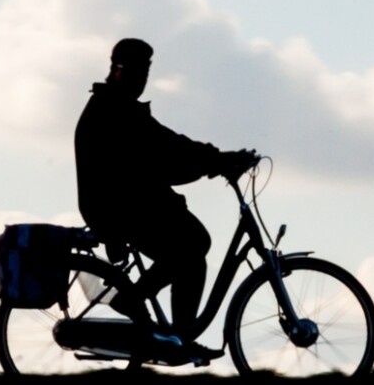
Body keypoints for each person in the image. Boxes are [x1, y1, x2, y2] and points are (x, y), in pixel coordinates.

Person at [74, 37, 256, 362]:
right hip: (117, 207)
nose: (141, 79)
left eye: (145, 72)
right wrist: (217, 161)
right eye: (134, 72)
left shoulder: (120, 106)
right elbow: (165, 149)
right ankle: (147, 312)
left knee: (194, 245)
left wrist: (216, 160)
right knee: (191, 246)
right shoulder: (114, 110)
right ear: (116, 70)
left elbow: (169, 146)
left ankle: (175, 333)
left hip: (130, 202)